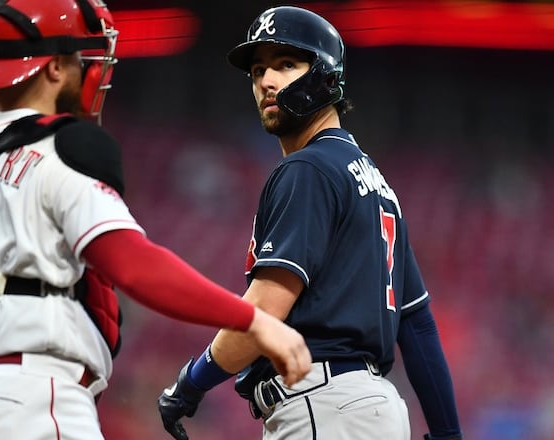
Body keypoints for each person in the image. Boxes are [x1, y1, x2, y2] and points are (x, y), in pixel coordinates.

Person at [0, 1, 311, 439]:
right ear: (53, 67)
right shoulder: (60, 150)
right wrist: (253, 319)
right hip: (32, 398)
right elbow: (134, 264)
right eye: (81, 60)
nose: (92, 71)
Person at [158, 5, 462, 440]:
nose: (266, 80)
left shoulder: (309, 169)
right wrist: (449, 432)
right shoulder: (377, 185)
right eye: (258, 69)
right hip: (369, 409)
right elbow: (416, 325)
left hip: (323, 403)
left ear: (325, 75)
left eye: (286, 64)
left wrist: (191, 382)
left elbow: (265, 309)